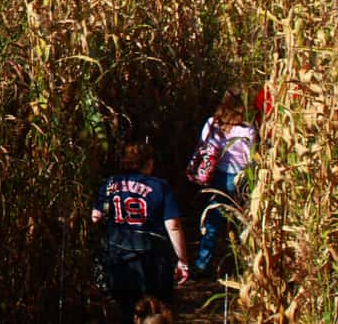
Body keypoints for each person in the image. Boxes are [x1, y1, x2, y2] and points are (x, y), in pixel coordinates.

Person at [92, 143, 189, 324]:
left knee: (126, 307)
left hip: (118, 253)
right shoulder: (160, 186)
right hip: (152, 255)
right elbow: (173, 225)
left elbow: (96, 216)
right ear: (148, 163)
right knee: (158, 307)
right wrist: (182, 260)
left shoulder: (110, 184)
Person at [194, 87, 257, 275]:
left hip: (218, 176)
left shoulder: (212, 124)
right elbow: (250, 158)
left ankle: (203, 264)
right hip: (240, 178)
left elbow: (203, 147)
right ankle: (244, 265)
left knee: (213, 220)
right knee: (244, 220)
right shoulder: (247, 130)